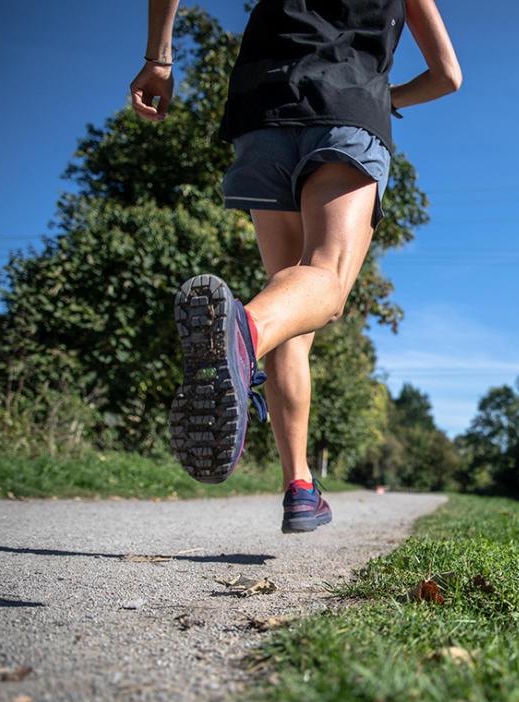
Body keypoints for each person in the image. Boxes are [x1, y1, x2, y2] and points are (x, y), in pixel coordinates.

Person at [129, 0, 461, 532]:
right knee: (324, 282)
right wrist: (383, 97)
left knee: (290, 307)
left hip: (262, 111)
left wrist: (160, 61)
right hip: (348, 110)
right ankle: (241, 336)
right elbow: (448, 75)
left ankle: (300, 485)